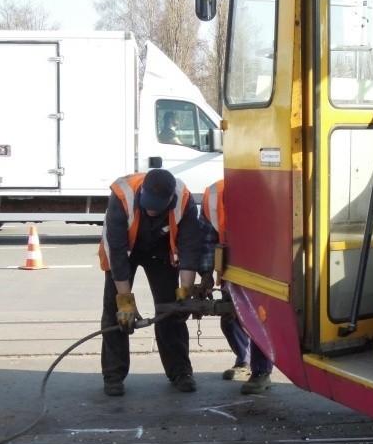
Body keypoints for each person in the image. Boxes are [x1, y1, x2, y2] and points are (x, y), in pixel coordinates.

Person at [99, 168, 201, 396]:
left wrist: (185, 293)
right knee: (115, 310)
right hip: (125, 249)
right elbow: (116, 253)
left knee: (171, 308)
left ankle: (180, 371)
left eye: (158, 205)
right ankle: (113, 376)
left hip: (161, 250)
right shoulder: (122, 196)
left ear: (170, 199)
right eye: (148, 204)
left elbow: (189, 249)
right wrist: (126, 301)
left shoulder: (183, 199)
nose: (152, 209)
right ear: (142, 192)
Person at [198, 179, 273, 395]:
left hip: (262, 262)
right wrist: (205, 275)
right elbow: (206, 240)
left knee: (259, 319)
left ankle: (261, 371)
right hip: (233, 262)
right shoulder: (213, 195)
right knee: (230, 319)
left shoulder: (265, 192)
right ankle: (245, 360)